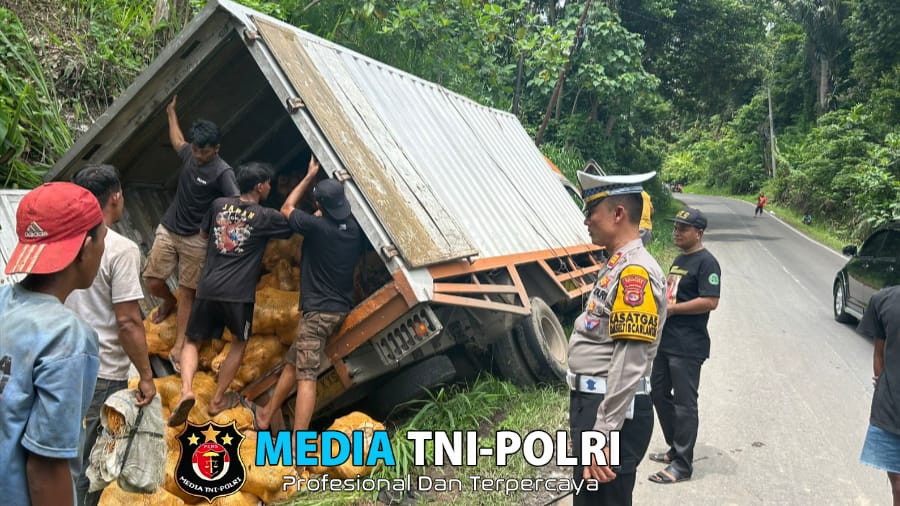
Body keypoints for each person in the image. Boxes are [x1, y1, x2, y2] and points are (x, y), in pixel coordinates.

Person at [0, 183, 107, 506]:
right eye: (102, 238)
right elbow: (45, 467)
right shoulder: (68, 338)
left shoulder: (4, 300)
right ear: (86, 247)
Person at [566, 171, 668, 505]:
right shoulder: (617, 264)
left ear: (618, 214)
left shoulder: (634, 271)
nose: (586, 221)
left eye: (591, 211)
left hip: (612, 411)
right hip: (599, 405)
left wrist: (606, 430)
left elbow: (631, 359)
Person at [167, 162, 293, 427]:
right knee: (238, 343)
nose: (270, 186)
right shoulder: (264, 216)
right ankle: (217, 400)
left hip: (209, 287)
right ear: (259, 186)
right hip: (238, 295)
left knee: (192, 340)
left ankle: (187, 390)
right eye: (268, 182)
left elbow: (202, 237)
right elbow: (289, 216)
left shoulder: (218, 205)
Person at [252, 156, 363, 435]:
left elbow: (287, 208)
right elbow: (325, 220)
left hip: (318, 314)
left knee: (306, 377)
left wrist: (307, 176)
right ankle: (266, 414)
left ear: (319, 206)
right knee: (293, 363)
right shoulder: (352, 230)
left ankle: (298, 445)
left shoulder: (317, 227)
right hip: (337, 309)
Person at [66, 164, 157, 506]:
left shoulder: (65, 241)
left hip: (63, 362)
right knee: (93, 464)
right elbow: (128, 321)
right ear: (115, 197)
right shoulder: (120, 248)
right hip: (102, 374)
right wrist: (146, 376)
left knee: (62, 455)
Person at [143, 95, 239, 374]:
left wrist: (213, 228)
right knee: (152, 279)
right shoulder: (189, 153)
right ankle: (166, 301)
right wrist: (171, 113)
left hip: (197, 239)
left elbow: (233, 203)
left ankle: (179, 345)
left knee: (188, 292)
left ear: (216, 149)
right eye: (195, 150)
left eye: (203, 152)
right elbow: (178, 141)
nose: (197, 155)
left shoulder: (223, 172)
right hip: (170, 227)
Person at [648, 207, 721, 484]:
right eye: (675, 227)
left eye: (683, 228)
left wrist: (675, 310)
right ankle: (675, 447)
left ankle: (682, 465)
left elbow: (710, 301)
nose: (676, 232)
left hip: (688, 345)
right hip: (667, 341)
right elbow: (671, 293)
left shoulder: (707, 263)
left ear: (698, 233)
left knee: (685, 404)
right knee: (657, 392)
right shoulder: (679, 259)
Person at [857, 286, 900, 505]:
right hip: (891, 413)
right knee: (899, 487)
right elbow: (878, 353)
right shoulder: (883, 300)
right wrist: (883, 383)